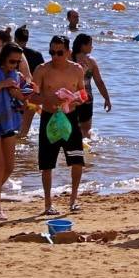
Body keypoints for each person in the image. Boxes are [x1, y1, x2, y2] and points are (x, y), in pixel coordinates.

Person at [33, 35, 88, 216]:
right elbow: (31, 96)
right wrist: (49, 98)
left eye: (59, 52)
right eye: (52, 52)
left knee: (77, 160)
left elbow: (83, 92)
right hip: (49, 118)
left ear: (68, 52)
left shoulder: (77, 69)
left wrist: (76, 99)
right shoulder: (42, 70)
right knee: (47, 164)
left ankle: (73, 200)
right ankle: (48, 204)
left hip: (70, 117)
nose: (55, 56)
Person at [0, 45, 33, 221]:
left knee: (9, 167)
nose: (14, 65)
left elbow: (23, 101)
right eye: (12, 61)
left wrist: (18, 92)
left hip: (9, 122)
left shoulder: (17, 76)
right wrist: (1, 85)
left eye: (18, 62)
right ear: (3, 58)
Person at [70, 34, 110, 141]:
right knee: (86, 132)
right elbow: (99, 82)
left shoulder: (68, 59)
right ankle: (86, 154)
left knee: (70, 129)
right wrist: (106, 98)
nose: (92, 47)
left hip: (70, 98)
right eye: (90, 44)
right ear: (83, 46)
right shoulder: (91, 61)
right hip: (85, 98)